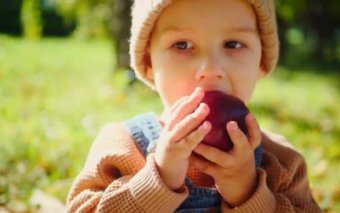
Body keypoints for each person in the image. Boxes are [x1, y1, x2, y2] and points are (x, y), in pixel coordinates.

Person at [66, 0, 322, 212]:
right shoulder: (122, 147)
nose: (211, 70)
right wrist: (158, 179)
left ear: (262, 63)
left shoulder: (281, 162)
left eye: (233, 44)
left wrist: (249, 193)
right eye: (182, 45)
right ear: (148, 64)